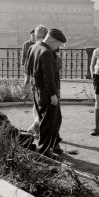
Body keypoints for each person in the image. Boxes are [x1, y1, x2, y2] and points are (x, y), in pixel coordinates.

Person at [26, 28, 66, 157]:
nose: (58, 47)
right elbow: (48, 76)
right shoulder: (46, 52)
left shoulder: (33, 47)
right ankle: (45, 150)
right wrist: (53, 95)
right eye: (58, 44)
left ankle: (54, 145)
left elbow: (28, 68)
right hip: (47, 92)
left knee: (51, 118)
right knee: (50, 121)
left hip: (37, 90)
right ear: (53, 40)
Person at [26, 24, 49, 137]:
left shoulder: (31, 47)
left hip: (34, 80)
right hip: (44, 82)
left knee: (36, 105)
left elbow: (27, 66)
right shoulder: (46, 48)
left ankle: (36, 126)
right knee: (44, 106)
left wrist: (30, 77)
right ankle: (37, 126)